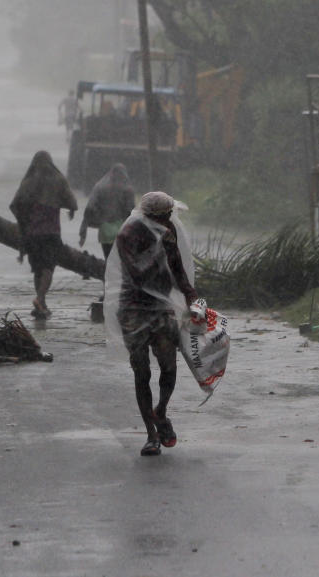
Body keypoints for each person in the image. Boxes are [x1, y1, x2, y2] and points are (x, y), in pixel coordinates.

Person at [104, 191, 198, 457]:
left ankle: (162, 411)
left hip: (161, 308)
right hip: (133, 308)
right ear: (149, 217)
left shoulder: (168, 230)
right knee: (141, 370)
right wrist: (161, 247)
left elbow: (177, 268)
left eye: (170, 215)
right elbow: (139, 273)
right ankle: (151, 434)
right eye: (164, 217)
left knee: (169, 365)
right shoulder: (129, 234)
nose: (169, 220)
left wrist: (192, 297)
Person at [10, 151, 77, 319]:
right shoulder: (58, 180)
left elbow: (15, 204)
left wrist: (24, 219)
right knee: (48, 267)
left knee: (38, 269)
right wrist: (70, 209)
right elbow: (72, 201)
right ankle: (40, 298)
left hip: (32, 233)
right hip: (51, 232)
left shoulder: (28, 182)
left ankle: (41, 305)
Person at [79, 163, 136, 260]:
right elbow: (130, 211)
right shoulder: (127, 189)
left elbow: (90, 208)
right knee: (120, 261)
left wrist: (83, 232)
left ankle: (108, 273)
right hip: (122, 231)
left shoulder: (100, 187)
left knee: (108, 259)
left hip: (105, 230)